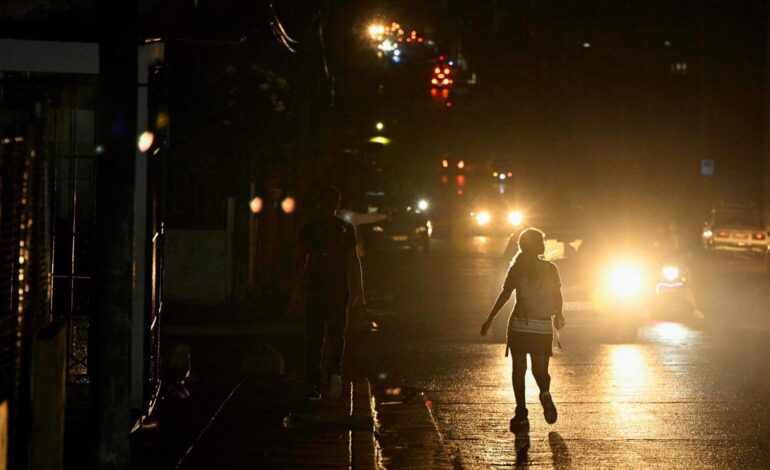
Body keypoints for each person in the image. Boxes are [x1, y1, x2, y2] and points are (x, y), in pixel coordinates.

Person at [481, 228, 565, 432]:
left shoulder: (517, 268)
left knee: (519, 371)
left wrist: (490, 318)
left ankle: (521, 413)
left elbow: (505, 295)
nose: (544, 244)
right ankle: (545, 394)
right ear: (535, 246)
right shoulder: (551, 268)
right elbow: (557, 295)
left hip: (519, 325)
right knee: (540, 371)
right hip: (542, 327)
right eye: (541, 241)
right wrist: (559, 314)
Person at [290, 186, 366, 401]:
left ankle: (314, 385)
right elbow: (353, 262)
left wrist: (294, 292)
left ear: (318, 203)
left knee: (314, 336)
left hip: (316, 288)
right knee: (337, 333)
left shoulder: (309, 228)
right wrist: (360, 293)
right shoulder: (345, 228)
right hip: (339, 288)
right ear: (337, 204)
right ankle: (335, 375)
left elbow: (301, 262)